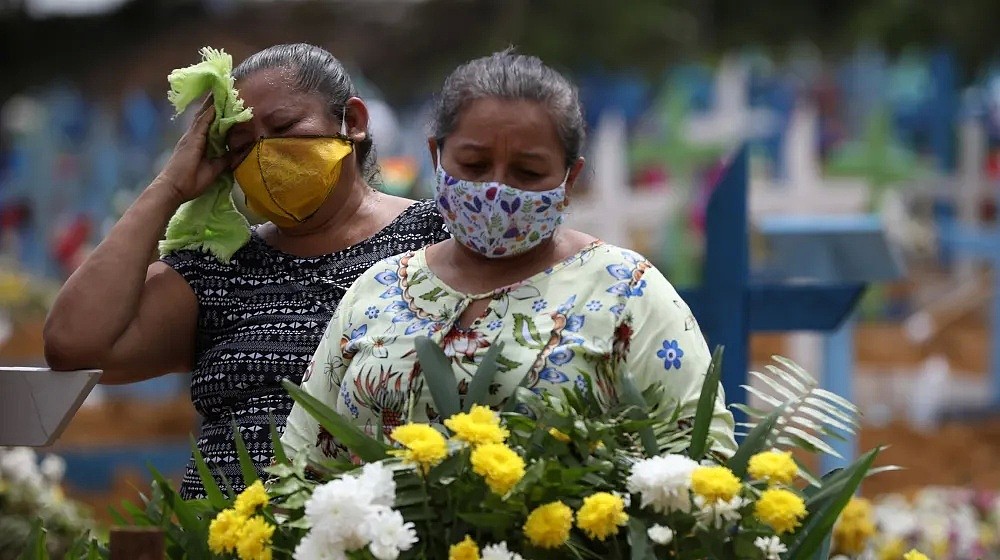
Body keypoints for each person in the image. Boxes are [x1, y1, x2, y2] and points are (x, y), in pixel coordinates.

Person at [282, 49, 736, 462]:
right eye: (475, 166)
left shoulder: (624, 290)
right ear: (436, 156)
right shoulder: (378, 291)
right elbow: (303, 464)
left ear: (569, 178)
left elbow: (699, 462)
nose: (496, 189)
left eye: (528, 171)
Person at [43, 44, 449, 499]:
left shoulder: (436, 238)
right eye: (240, 146)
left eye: (284, 127)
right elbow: (72, 344)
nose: (263, 154)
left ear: (352, 122)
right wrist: (169, 186)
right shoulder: (218, 271)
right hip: (224, 535)